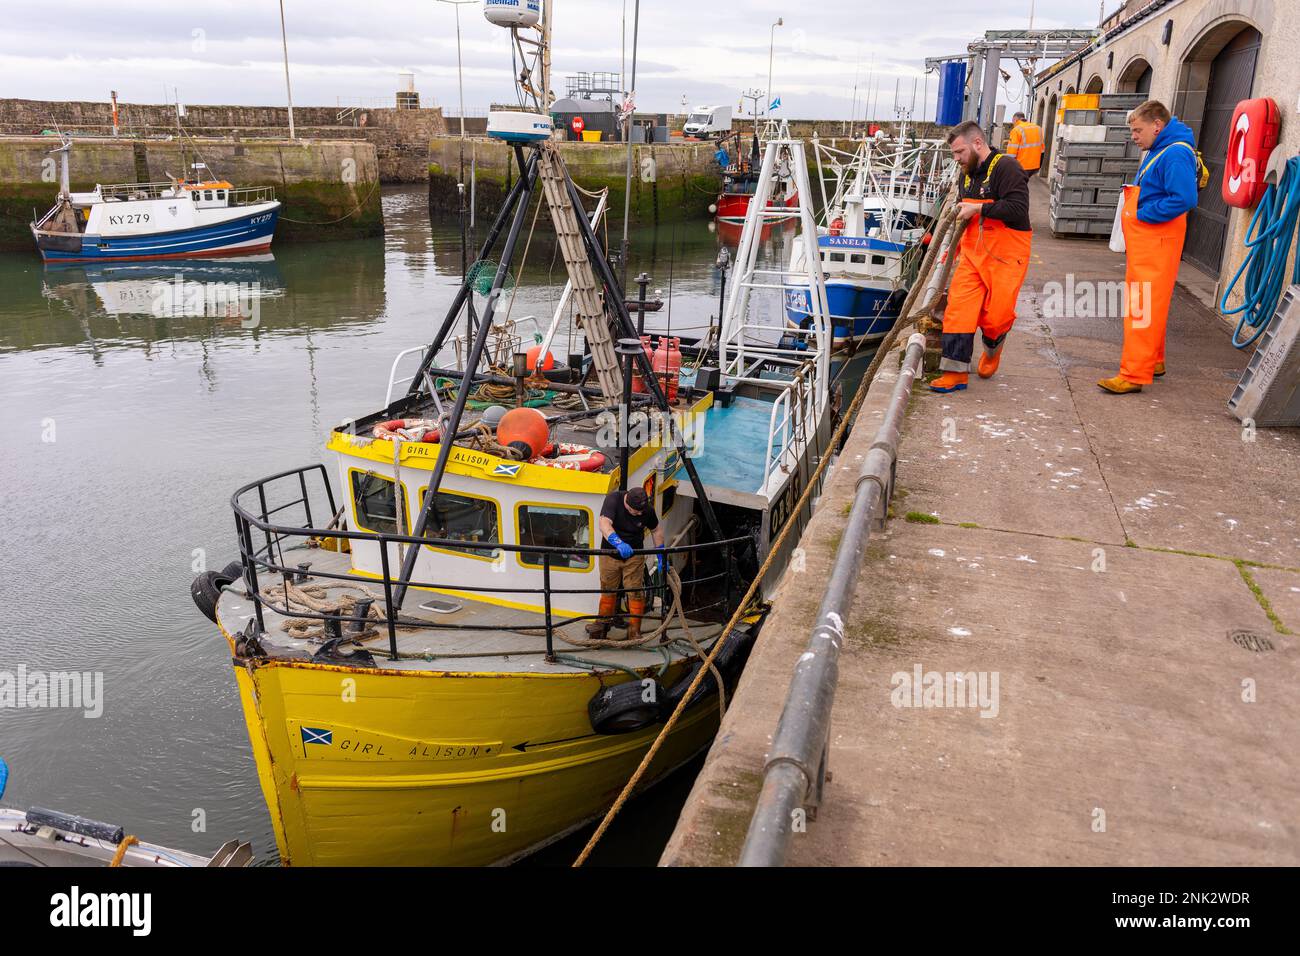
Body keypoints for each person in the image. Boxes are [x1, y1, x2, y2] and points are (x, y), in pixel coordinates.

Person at [1097, 100, 1200, 394]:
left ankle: (1132, 374)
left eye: (1138, 130)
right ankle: (1153, 361)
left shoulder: (1175, 153)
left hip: (1156, 238)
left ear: (1157, 125)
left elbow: (1184, 198)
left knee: (1141, 307)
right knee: (1151, 304)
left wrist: (1142, 215)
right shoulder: (1164, 148)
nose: (1134, 136)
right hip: (1154, 239)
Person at [930, 121, 1033, 394]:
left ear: (977, 143)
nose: (957, 159)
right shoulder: (967, 173)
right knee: (958, 312)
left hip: (1007, 256)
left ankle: (992, 347)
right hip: (973, 254)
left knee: (996, 316)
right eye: (954, 154)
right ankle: (954, 372)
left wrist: (979, 208)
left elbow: (1018, 208)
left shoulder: (1006, 167)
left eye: (960, 152)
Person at [588, 487, 665, 641]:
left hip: (634, 557)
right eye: (635, 511)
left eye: (640, 512)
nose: (639, 514)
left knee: (635, 591)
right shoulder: (614, 500)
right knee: (608, 589)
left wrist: (661, 556)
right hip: (609, 555)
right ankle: (601, 625)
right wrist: (618, 543)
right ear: (627, 504)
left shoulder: (646, 510)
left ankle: (634, 631)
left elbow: (656, 531)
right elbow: (604, 523)